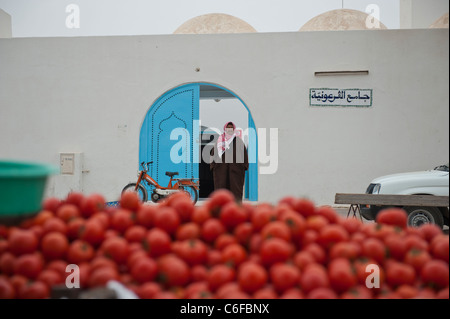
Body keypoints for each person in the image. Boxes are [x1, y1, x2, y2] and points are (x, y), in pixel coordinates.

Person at [210, 121, 249, 202]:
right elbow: (213, 154)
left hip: (236, 172)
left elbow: (244, 155)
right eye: (228, 128)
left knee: (236, 191)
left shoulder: (239, 141)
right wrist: (213, 166)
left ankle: (236, 208)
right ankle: (221, 208)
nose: (229, 129)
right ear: (225, 129)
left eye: (231, 128)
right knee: (221, 191)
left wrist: (244, 166)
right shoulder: (219, 141)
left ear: (234, 129)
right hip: (221, 171)